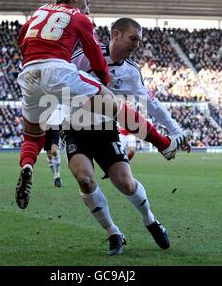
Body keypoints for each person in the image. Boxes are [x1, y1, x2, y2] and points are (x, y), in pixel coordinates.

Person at [15, 0, 188, 210]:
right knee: (114, 105)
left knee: (32, 135)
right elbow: (95, 56)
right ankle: (164, 144)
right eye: (87, 2)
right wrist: (104, 80)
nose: (88, 8)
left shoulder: (39, 12)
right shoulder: (79, 18)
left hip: (28, 74)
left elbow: (22, 38)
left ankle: (27, 166)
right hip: (57, 71)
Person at [60, 17, 191, 255]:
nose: (136, 45)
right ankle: (113, 233)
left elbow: (153, 105)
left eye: (139, 41)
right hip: (74, 128)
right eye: (133, 38)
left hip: (105, 130)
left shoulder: (130, 72)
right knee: (86, 181)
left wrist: (176, 131)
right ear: (116, 34)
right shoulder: (84, 56)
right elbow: (59, 77)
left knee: (126, 183)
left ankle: (150, 219)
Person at [45, 104, 64, 187]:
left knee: (54, 152)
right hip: (45, 127)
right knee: (49, 156)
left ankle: (57, 177)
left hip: (56, 126)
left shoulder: (62, 98)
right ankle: (56, 176)